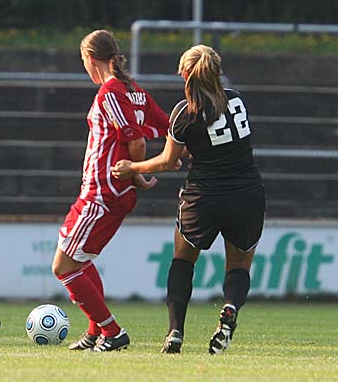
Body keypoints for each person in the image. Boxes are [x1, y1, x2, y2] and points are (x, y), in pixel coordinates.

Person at [112, 44, 265, 355]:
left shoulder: (185, 112)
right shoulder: (237, 100)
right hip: (246, 194)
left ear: (185, 74)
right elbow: (223, 138)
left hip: (203, 197)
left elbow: (168, 161)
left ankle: (175, 333)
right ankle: (230, 308)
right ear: (217, 72)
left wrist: (132, 168)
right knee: (238, 266)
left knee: (182, 261)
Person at [51, 30, 169, 352]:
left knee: (63, 267)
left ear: (90, 59)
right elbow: (168, 127)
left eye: (83, 61)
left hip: (103, 192)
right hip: (106, 191)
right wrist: (151, 168)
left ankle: (112, 331)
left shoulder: (111, 91)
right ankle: (95, 332)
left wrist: (138, 172)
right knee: (81, 260)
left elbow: (136, 141)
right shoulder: (135, 91)